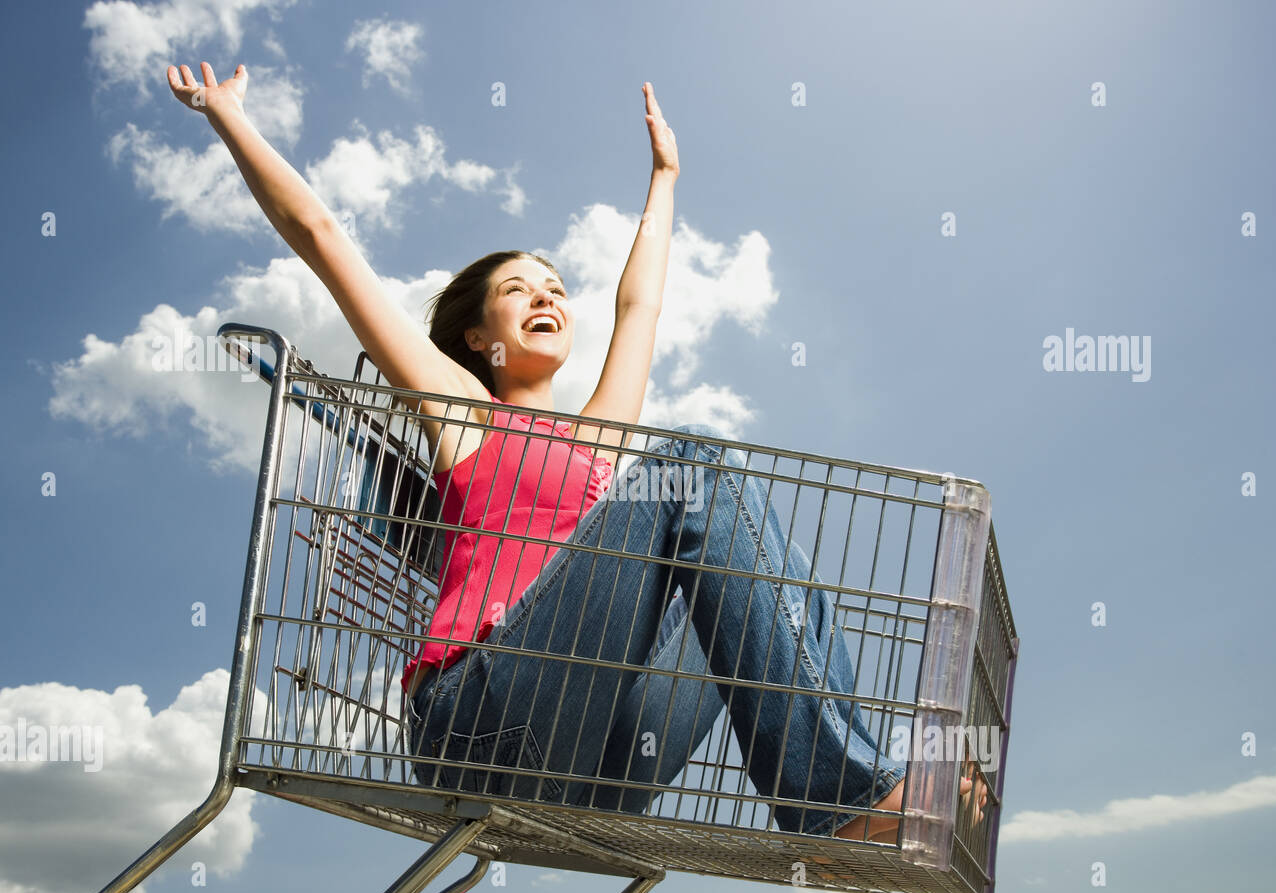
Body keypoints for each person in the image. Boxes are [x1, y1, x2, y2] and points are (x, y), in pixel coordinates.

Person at [167, 61, 986, 843]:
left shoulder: (597, 438)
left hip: (598, 765)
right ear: (477, 338)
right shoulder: (461, 412)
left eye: (555, 285)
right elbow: (320, 237)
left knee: (782, 571)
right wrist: (229, 116)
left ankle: (844, 798)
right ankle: (845, 801)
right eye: (520, 288)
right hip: (481, 722)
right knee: (694, 460)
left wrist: (665, 178)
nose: (548, 295)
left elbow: (640, 309)